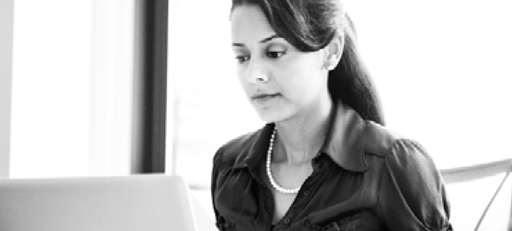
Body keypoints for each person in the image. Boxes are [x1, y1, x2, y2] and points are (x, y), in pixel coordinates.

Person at [211, 0, 453, 230]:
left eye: (274, 52)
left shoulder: (395, 165)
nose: (254, 74)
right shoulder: (229, 168)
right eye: (242, 57)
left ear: (331, 52)